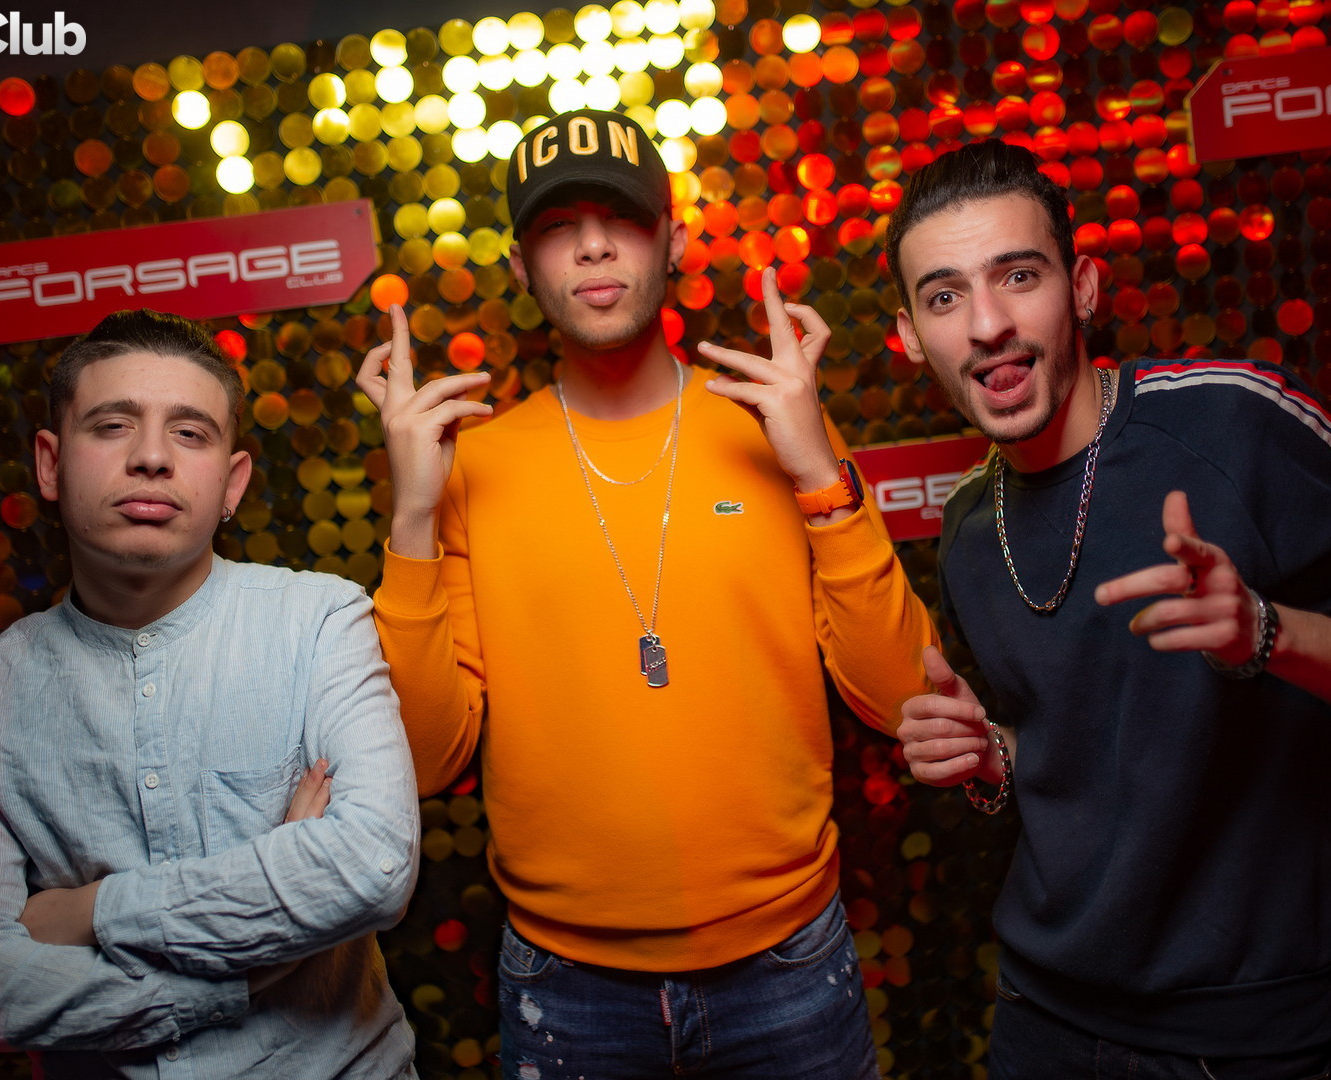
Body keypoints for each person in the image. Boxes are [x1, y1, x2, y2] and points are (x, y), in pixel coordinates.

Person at [359, 108, 937, 1079]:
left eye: (621, 218)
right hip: (567, 985)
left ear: (672, 242)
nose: (592, 245)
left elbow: (902, 697)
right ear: (520, 266)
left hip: (788, 962)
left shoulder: (773, 426)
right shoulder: (473, 468)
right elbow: (422, 760)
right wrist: (411, 519)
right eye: (559, 226)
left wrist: (817, 473)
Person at [890, 139, 1331, 1077]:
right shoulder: (965, 528)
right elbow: (1084, 751)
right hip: (1040, 1017)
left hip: (1244, 1040)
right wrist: (991, 755)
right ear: (912, 334)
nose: (986, 324)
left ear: (1081, 288)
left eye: (1018, 276)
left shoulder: (1228, 423)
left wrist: (1266, 635)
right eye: (944, 296)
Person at [0, 309, 422, 1079]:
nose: (151, 457)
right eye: (112, 426)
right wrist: (239, 966)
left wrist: (85, 913)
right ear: (49, 464)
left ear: (232, 483)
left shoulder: (318, 620)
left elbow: (371, 866)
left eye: (189, 432)